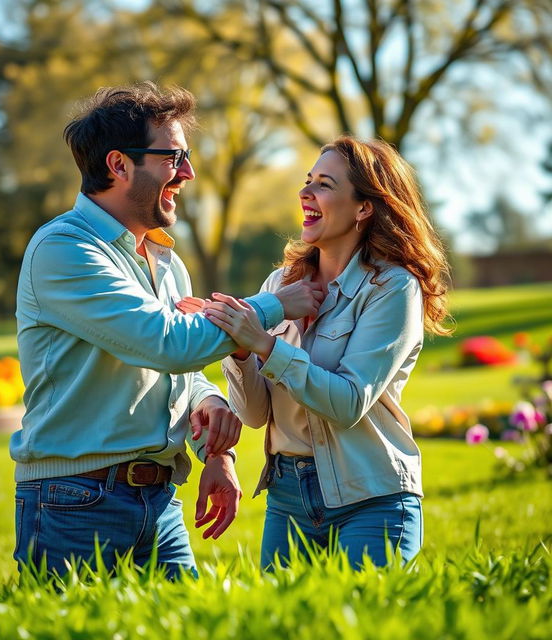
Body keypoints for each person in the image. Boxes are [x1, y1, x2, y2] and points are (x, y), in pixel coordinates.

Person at [10, 82, 323, 579]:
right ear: (119, 165)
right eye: (174, 158)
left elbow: (175, 371)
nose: (189, 173)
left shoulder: (165, 259)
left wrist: (211, 423)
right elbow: (168, 345)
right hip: (73, 502)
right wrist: (272, 307)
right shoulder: (64, 250)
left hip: (159, 503)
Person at [180, 136, 451, 569]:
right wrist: (239, 347)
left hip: (371, 498)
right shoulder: (279, 288)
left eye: (324, 184)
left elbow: (347, 403)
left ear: (364, 207)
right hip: (287, 500)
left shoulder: (392, 288)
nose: (306, 193)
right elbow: (252, 415)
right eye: (308, 181)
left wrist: (264, 343)